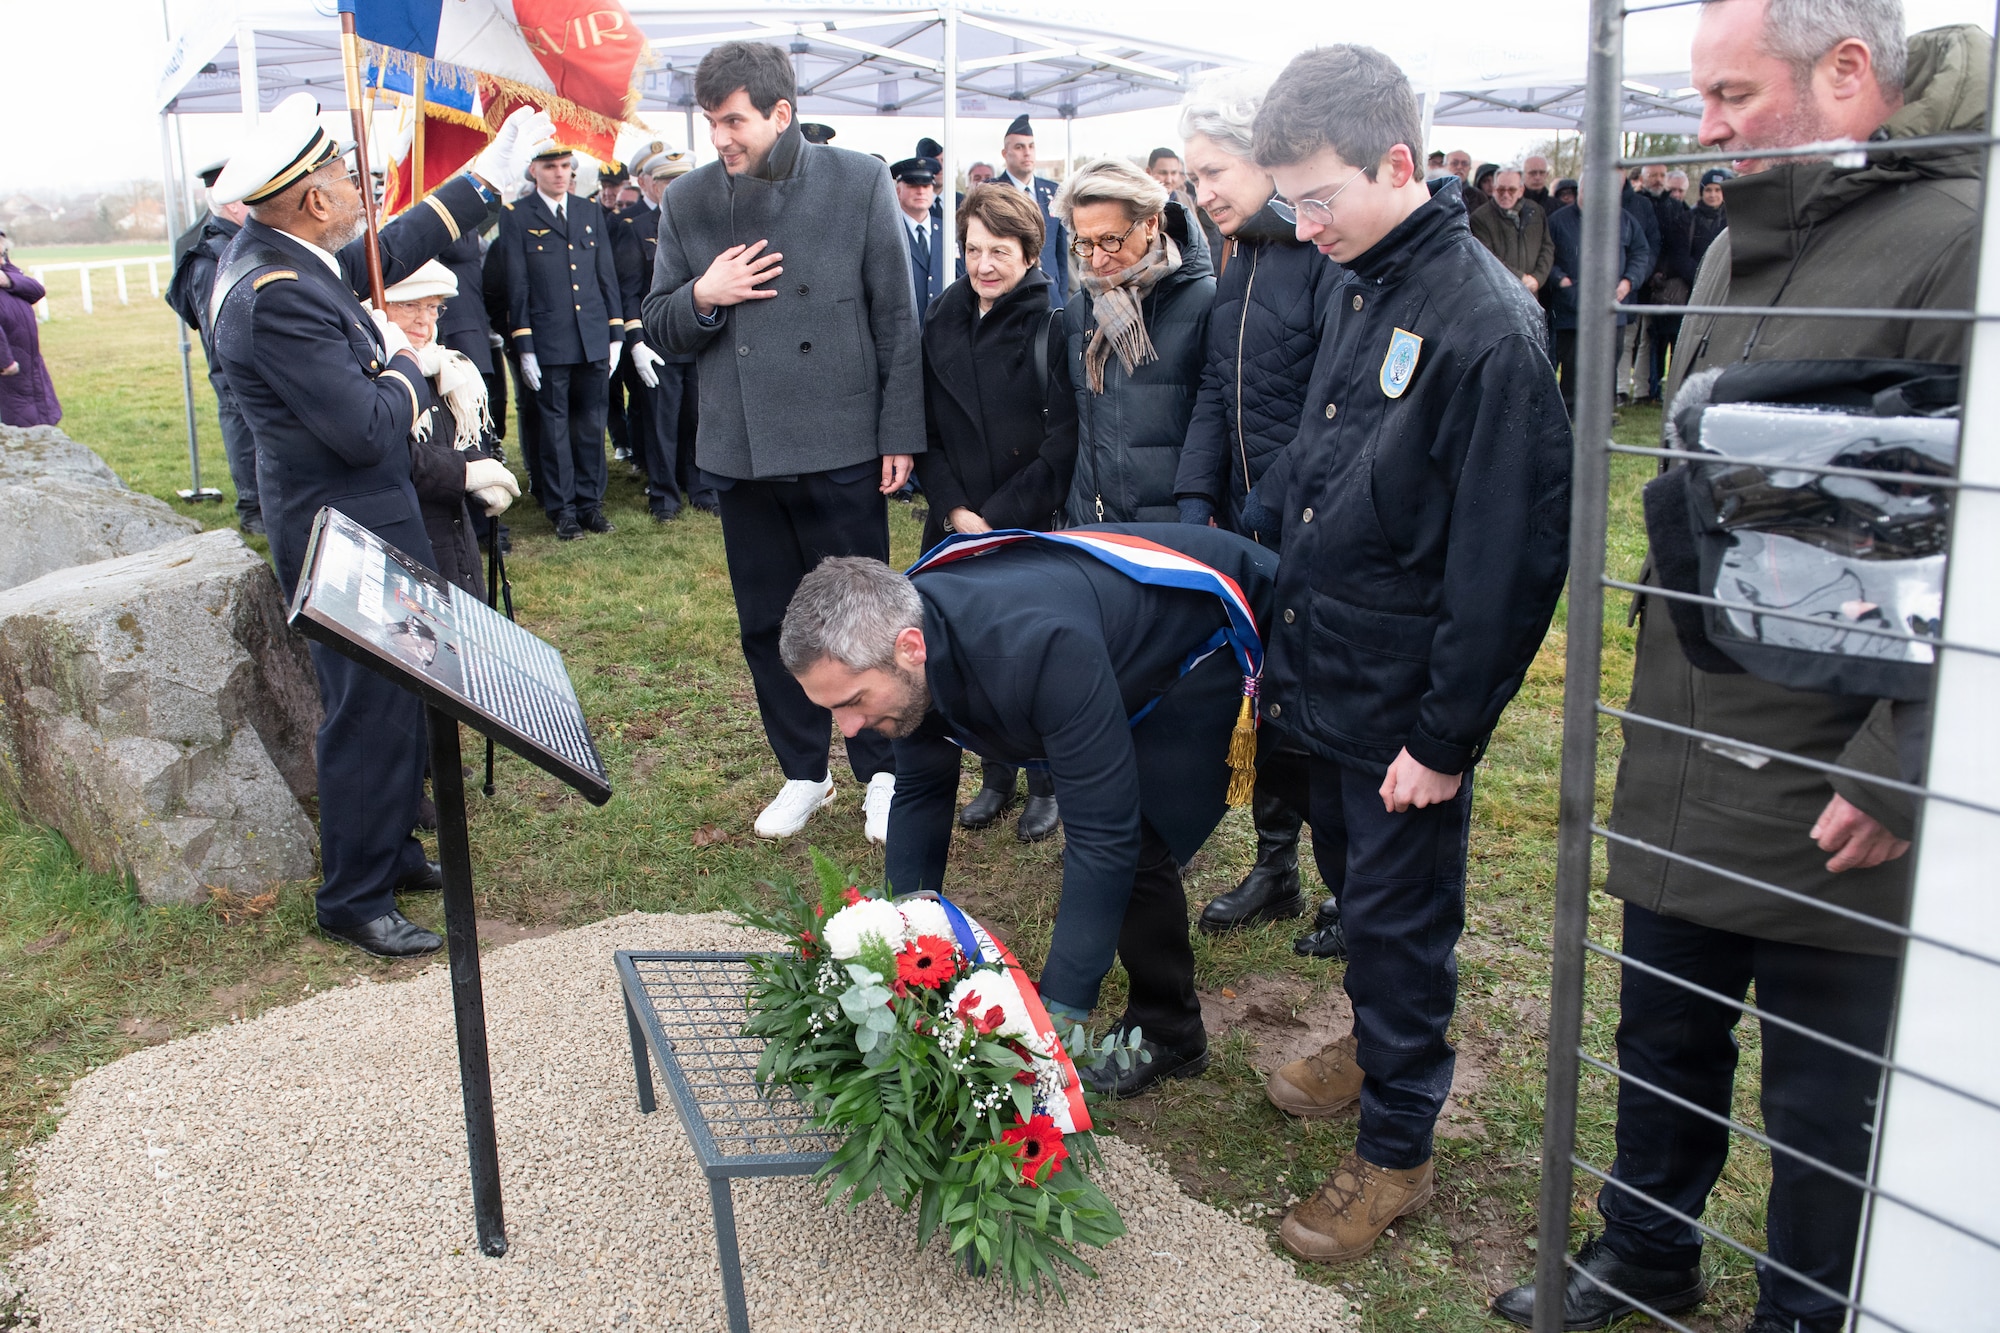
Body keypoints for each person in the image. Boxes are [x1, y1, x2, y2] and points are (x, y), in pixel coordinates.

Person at [1491, 10, 1985, 1332]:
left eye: (1729, 92)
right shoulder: (1727, 245)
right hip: (1687, 738)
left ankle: (1808, 1309)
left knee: (1825, 1094)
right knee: (1663, 1033)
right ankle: (1644, 1247)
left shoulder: (1963, 248)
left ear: (1845, 74)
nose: (1702, 129)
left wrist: (1901, 763)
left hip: (1834, 774)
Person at [1247, 44, 1571, 1266]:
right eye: (1288, 200)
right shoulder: (1354, 275)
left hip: (1401, 705)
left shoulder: (1484, 326)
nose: (1301, 221)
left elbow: (1508, 561)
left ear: (1397, 164)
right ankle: (1373, 1046)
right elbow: (1323, 453)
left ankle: (1395, 1147)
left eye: (1317, 196)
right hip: (1324, 668)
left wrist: (1441, 741)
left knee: (1396, 919)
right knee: (1352, 893)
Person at [208, 94, 546, 958]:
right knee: (367, 708)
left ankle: (389, 848)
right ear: (312, 200)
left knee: (396, 698)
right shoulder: (275, 292)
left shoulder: (288, 256)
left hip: (359, 518)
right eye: (343, 174)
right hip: (341, 530)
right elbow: (364, 425)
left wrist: (489, 180)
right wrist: (404, 361)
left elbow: (387, 249)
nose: (357, 183)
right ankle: (352, 894)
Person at [780, 525, 1278, 1097]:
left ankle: (1169, 1027)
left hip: (1232, 623)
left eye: (851, 703)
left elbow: (1102, 837)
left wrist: (1052, 1020)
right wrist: (903, 939)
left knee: (1146, 836)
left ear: (910, 649)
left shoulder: (1035, 648)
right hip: (1100, 637)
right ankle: (1184, 1017)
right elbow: (921, 789)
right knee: (1137, 835)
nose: (847, 731)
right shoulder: (899, 635)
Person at [642, 40, 921, 844]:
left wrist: (899, 431)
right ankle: (804, 771)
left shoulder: (858, 178)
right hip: (743, 451)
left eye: (733, 121)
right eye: (710, 122)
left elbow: (895, 317)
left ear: (781, 113)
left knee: (864, 619)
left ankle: (885, 773)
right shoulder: (688, 201)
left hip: (840, 440)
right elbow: (660, 321)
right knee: (765, 620)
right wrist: (704, 293)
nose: (720, 138)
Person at [1171, 72, 1343, 946]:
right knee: (1262, 697)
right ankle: (1276, 865)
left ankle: (1349, 883)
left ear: (1266, 157)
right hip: (1244, 520)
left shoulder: (1322, 255)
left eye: (1213, 173)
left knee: (1320, 710)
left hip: (1304, 525)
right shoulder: (1239, 256)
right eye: (1193, 180)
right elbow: (1215, 387)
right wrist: (1198, 498)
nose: (1201, 194)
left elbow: (1330, 409)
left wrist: (1263, 515)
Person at [911, 184, 1080, 843]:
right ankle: (994, 774)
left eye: (999, 251)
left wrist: (997, 517)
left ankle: (1045, 780)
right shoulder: (942, 316)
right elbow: (926, 427)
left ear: (1030, 252)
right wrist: (955, 509)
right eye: (973, 249)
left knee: (1026, 658)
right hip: (955, 522)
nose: (984, 263)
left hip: (1023, 521)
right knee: (965, 653)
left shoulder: (1052, 323)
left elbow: (1061, 445)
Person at [1054, 158, 1214, 526]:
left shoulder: (1205, 301)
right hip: (1094, 522)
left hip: (1177, 525)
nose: (1097, 258)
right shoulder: (1080, 310)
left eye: (1110, 239)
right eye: (1085, 243)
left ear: (1151, 223)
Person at [371, 260, 521, 595]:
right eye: (411, 305)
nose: (425, 320)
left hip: (454, 533)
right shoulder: (373, 373)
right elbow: (387, 454)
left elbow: (458, 438)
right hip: (405, 538)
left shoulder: (446, 366)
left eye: (434, 307)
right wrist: (465, 473)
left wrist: (480, 462)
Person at [498, 144, 624, 540]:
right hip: (549, 340)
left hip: (591, 337)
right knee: (554, 430)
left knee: (590, 425)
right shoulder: (517, 216)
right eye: (550, 166)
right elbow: (516, 284)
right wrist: (525, 345)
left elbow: (606, 275)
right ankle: (563, 509)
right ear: (533, 170)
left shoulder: (588, 212)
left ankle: (591, 505)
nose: (559, 174)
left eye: (566, 166)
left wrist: (616, 332)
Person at [164, 162, 261, 532]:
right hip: (234, 369)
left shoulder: (229, 244)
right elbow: (217, 327)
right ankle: (253, 511)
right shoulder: (209, 257)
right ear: (233, 205)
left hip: (245, 365)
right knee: (242, 430)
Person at [615, 144, 705, 521]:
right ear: (651, 184)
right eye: (667, 181)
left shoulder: (703, 222)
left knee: (697, 419)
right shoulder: (634, 228)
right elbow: (630, 289)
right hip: (658, 341)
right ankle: (665, 496)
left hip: (698, 338)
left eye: (681, 180)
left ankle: (701, 488)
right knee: (661, 423)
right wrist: (636, 341)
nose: (674, 187)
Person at [1546, 175, 1651, 415]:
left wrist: (1628, 282)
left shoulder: (1624, 221)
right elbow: (1546, 256)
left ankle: (1602, 413)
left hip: (1612, 307)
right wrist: (1560, 279)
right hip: (1572, 307)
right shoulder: (1558, 221)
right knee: (1572, 363)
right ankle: (1570, 411)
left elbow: (1640, 253)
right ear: (1580, 190)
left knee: (1607, 363)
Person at [1640, 163, 1696, 404]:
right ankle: (1645, 390)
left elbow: (1678, 247)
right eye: (1653, 175)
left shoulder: (1676, 208)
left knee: (1661, 340)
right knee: (1646, 341)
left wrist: (1663, 272)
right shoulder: (1638, 204)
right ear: (1643, 178)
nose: (1658, 179)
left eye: (1661, 175)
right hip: (1641, 279)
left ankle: (1660, 390)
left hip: (1666, 284)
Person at [997, 114, 1069, 298]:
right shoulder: (994, 192)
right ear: (1005, 154)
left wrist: (1061, 293)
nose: (1027, 152)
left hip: (1051, 293)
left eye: (1031, 146)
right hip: (1012, 294)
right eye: (1019, 147)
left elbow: (1061, 253)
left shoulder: (1053, 191)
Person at [0, 228, 58, 429]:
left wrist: (8, 280)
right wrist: (4, 362)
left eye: (2, 253)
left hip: (28, 373)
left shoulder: (7, 276)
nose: (2, 259)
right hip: (9, 377)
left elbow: (37, 290)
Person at [1469, 168, 1554, 299]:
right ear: (1493, 189)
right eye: (1501, 190)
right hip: (1499, 295)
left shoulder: (1536, 212)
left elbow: (1547, 247)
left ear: (1521, 191)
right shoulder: (1480, 218)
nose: (1506, 195)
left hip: (1532, 294)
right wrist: (1521, 279)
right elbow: (1487, 257)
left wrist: (1538, 278)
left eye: (1512, 190)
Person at [890, 155, 949, 328]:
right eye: (913, 185)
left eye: (926, 185)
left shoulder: (949, 232)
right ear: (898, 191)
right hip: (903, 332)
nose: (921, 191)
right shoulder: (887, 232)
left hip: (944, 333)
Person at [1690, 166, 1729, 265]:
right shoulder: (1688, 219)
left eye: (1717, 190)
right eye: (1708, 190)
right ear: (1701, 192)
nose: (1712, 195)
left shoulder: (1733, 219)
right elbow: (1681, 256)